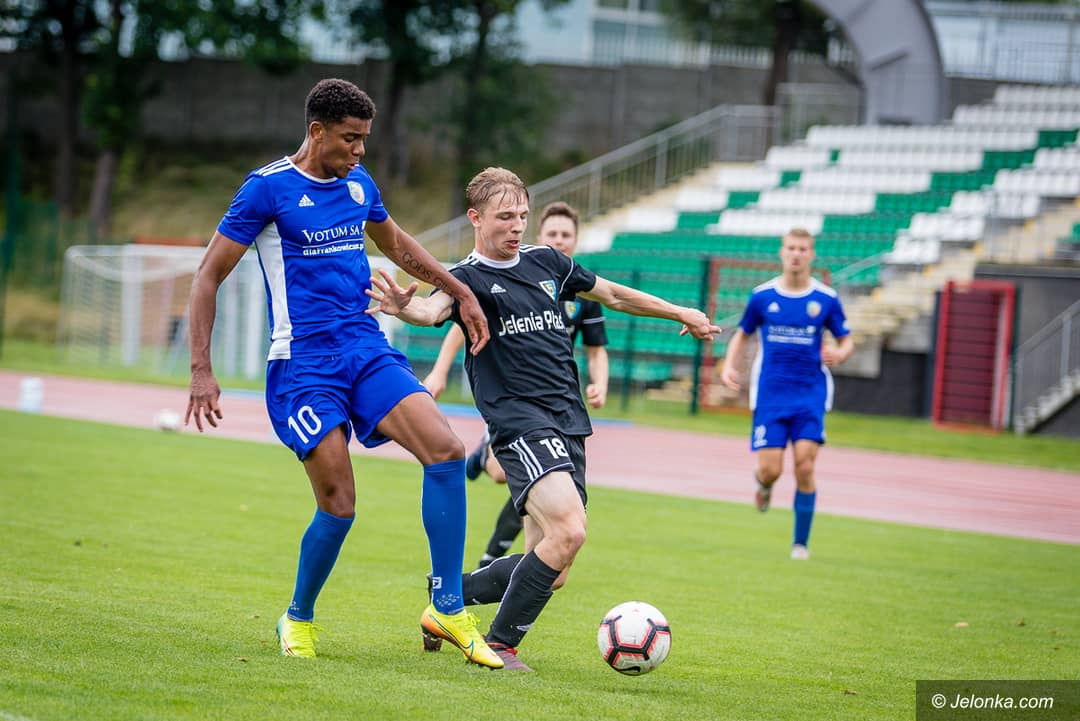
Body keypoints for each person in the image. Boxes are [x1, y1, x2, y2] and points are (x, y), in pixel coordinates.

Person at [184, 78, 503, 668]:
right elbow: (208, 275)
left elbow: (398, 244)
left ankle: (448, 607)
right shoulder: (266, 189)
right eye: (350, 138)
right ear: (317, 131)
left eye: (365, 139)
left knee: (445, 449)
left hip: (364, 346)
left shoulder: (359, 184)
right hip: (303, 364)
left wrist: (459, 290)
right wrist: (201, 369)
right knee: (339, 503)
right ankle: (298, 616)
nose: (360, 150)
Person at [365, 167, 721, 671]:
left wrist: (679, 311)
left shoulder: (547, 262)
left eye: (522, 216)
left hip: (569, 421)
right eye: (504, 217)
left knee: (555, 567)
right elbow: (430, 311)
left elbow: (614, 295)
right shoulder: (465, 278)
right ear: (475, 218)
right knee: (570, 531)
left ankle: (446, 597)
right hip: (519, 423)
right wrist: (404, 309)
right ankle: (500, 645)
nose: (516, 226)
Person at [422, 201, 609, 569]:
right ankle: (484, 460)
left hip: (556, 403)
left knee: (544, 493)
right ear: (539, 236)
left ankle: (494, 566)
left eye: (566, 235)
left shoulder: (578, 291)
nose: (559, 240)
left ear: (575, 240)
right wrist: (439, 372)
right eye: (552, 233)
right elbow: (461, 329)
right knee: (509, 475)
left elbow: (596, 349)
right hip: (513, 401)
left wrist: (599, 383)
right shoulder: (510, 274)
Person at [719, 227, 853, 561]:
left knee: (805, 466)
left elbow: (846, 339)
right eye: (791, 248)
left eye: (802, 249)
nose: (796, 254)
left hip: (810, 393)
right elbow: (743, 334)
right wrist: (729, 366)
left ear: (811, 255)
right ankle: (763, 485)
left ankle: (800, 544)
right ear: (782, 252)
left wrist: (840, 353)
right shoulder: (762, 296)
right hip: (771, 394)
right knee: (772, 470)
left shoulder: (825, 298)